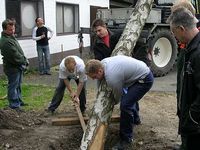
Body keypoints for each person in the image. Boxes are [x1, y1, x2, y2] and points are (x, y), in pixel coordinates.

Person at [85, 55, 154, 149]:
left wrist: (113, 102)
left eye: (94, 76)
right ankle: (136, 120)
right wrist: (99, 93)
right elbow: (100, 80)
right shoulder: (102, 62)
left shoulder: (112, 77)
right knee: (129, 98)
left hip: (144, 79)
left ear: (100, 71)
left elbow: (117, 96)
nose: (93, 79)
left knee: (125, 105)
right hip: (138, 72)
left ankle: (126, 139)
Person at [91, 18, 142, 125]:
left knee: (131, 94)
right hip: (111, 72)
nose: (98, 33)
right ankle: (131, 115)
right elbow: (98, 60)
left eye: (99, 30)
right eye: (96, 32)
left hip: (124, 70)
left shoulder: (118, 35)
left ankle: (136, 117)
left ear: (105, 27)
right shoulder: (97, 44)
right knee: (122, 94)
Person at [167, 7, 200, 149]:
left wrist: (192, 116)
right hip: (188, 116)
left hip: (196, 123)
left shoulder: (198, 53)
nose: (175, 36)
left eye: (174, 32)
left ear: (181, 28)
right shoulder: (189, 47)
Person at [0, 19, 29, 111]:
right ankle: (14, 105)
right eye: (10, 30)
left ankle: (19, 101)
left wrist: (24, 60)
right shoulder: (6, 42)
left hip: (17, 66)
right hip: (12, 67)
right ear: (4, 29)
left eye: (13, 29)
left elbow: (18, 52)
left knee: (18, 85)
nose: (12, 31)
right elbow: (15, 56)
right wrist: (24, 61)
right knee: (13, 86)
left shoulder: (10, 37)